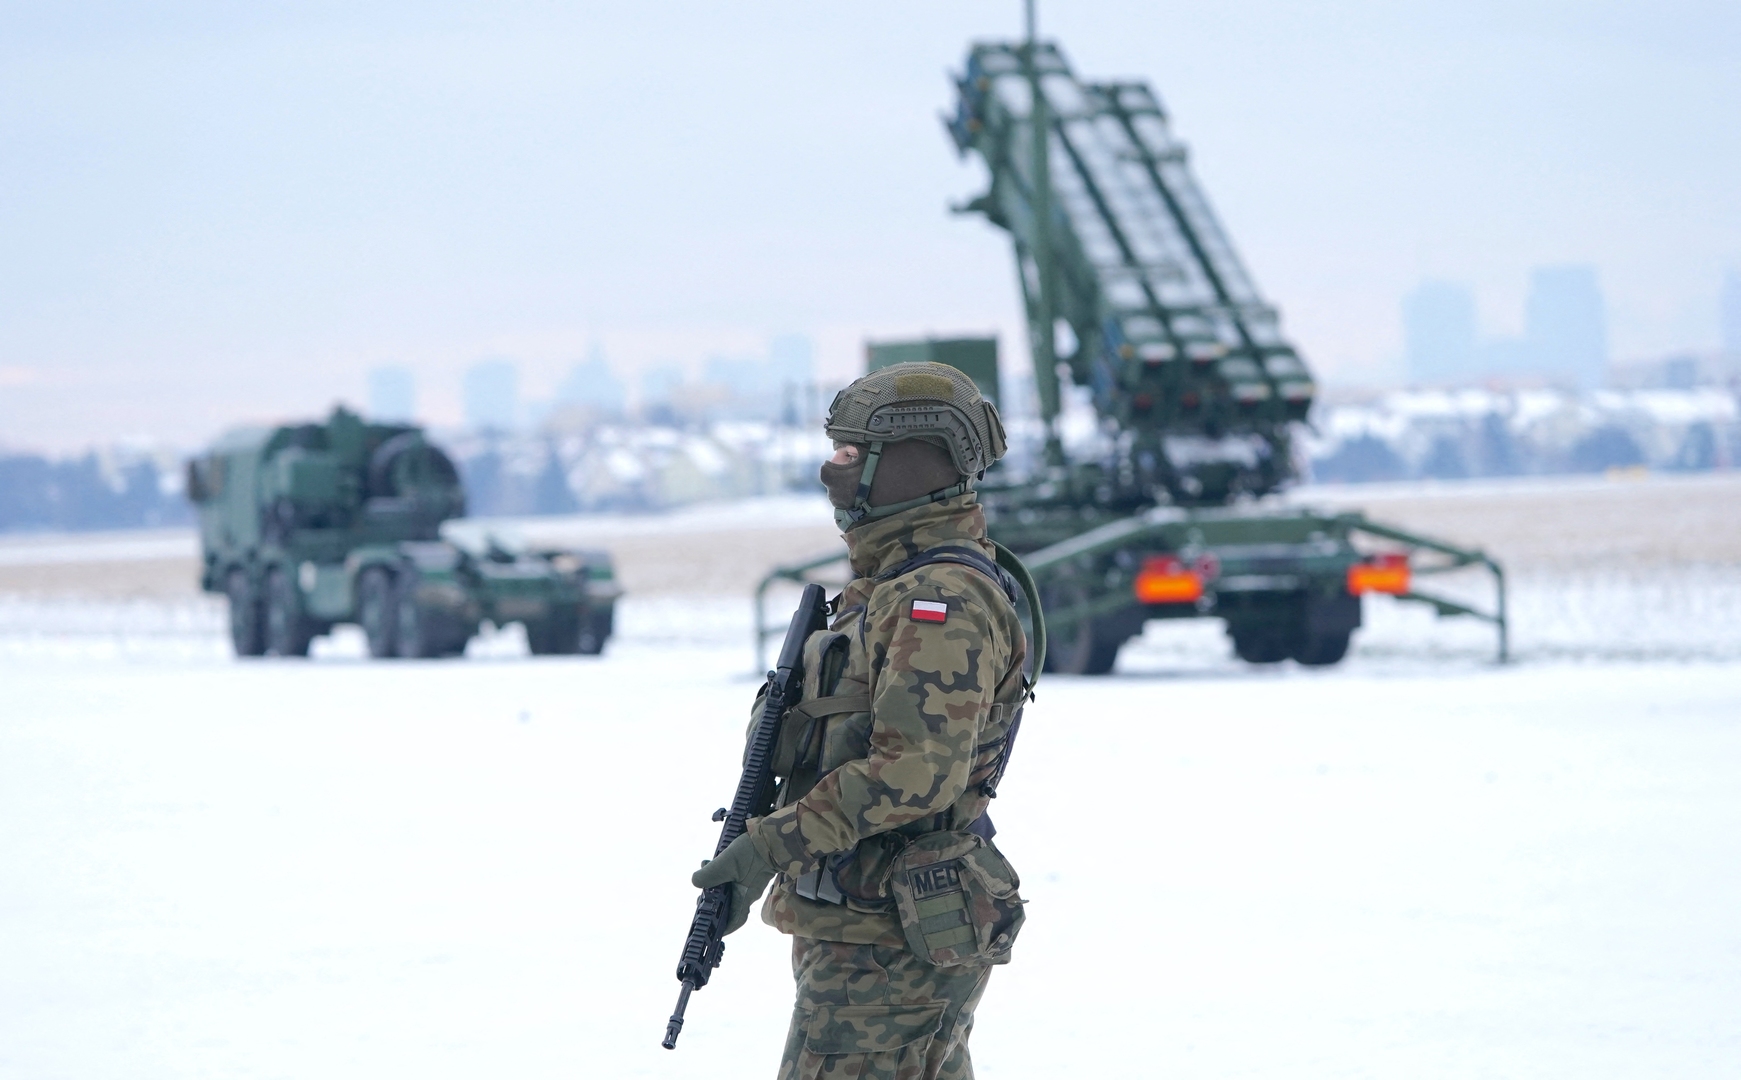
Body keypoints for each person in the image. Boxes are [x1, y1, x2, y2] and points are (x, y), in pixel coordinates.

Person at [693, 361, 1033, 1080]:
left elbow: (914, 774)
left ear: (908, 465)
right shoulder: (888, 589)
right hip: (866, 922)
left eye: (851, 456)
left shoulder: (937, 600)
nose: (831, 472)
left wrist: (766, 849)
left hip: (890, 938)